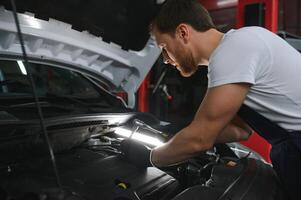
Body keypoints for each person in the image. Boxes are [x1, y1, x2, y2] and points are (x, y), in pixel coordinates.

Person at [120, 0, 301, 199]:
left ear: (183, 32)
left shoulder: (232, 51)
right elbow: (240, 130)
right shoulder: (239, 45)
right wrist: (178, 136)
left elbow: (199, 140)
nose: (164, 59)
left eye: (163, 46)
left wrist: (151, 157)